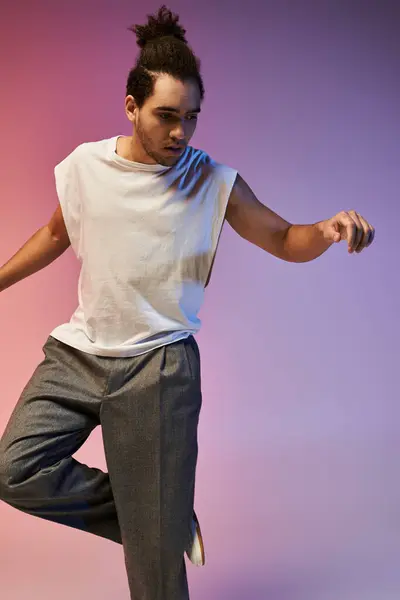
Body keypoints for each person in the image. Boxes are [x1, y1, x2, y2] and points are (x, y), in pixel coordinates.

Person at [0, 5, 375, 600]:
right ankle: (162, 519)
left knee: (154, 576)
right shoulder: (84, 168)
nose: (181, 132)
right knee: (14, 470)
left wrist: (325, 230)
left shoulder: (212, 181)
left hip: (160, 368)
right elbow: (54, 234)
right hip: (78, 355)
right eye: (166, 116)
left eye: (192, 118)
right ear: (131, 106)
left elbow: (282, 238)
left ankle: (159, 525)